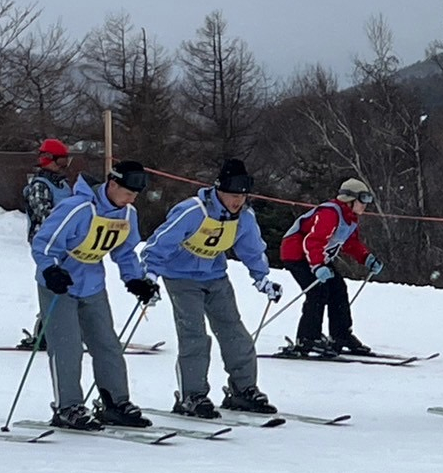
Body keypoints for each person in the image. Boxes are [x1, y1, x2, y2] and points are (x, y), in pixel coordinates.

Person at [140, 159, 282, 418]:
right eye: (232, 195)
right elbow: (158, 244)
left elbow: (252, 249)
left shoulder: (244, 218)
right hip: (180, 278)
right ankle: (191, 395)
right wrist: (149, 276)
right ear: (219, 190)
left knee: (235, 333)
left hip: (215, 277)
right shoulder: (193, 211)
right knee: (194, 334)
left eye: (242, 196)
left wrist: (262, 278)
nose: (237, 201)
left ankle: (243, 389)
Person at [31, 160, 158, 429]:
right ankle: (68, 407)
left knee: (107, 345)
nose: (130, 199)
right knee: (67, 347)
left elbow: (124, 251)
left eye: (134, 196)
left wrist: (135, 279)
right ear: (112, 184)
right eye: (126, 193)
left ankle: (115, 403)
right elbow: (44, 242)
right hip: (60, 285)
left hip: (92, 285)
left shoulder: (126, 215)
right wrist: (50, 270)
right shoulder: (76, 208)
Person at [279, 178, 383, 357]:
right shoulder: (330, 213)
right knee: (318, 292)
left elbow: (350, 243)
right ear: (349, 199)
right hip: (297, 255)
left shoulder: (350, 219)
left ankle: (341, 335)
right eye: (363, 199)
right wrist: (318, 266)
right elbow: (313, 241)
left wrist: (367, 258)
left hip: (317, 257)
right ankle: (307, 338)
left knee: (338, 289)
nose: (366, 205)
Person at [18, 138, 74, 351]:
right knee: (51, 286)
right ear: (49, 160)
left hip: (68, 244)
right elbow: (46, 216)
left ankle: (69, 328)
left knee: (71, 286)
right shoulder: (39, 186)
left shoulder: (63, 184)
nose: (65, 165)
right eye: (62, 161)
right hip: (48, 245)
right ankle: (43, 333)